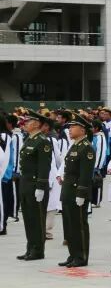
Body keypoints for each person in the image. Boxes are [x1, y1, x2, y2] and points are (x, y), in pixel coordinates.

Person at [58, 114, 95, 267]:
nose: (70, 130)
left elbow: (85, 174)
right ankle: (73, 254)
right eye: (70, 127)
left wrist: (81, 193)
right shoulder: (74, 145)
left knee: (79, 225)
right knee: (70, 225)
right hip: (68, 191)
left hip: (77, 192)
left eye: (73, 127)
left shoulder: (86, 147)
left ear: (82, 130)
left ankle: (81, 256)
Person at [15, 111, 52, 262]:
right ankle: (30, 247)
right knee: (28, 218)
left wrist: (41, 186)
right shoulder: (29, 139)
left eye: (28, 122)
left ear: (36, 124)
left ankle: (38, 250)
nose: (25, 124)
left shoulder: (42, 141)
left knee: (37, 219)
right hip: (25, 183)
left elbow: (44, 166)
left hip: (36, 185)